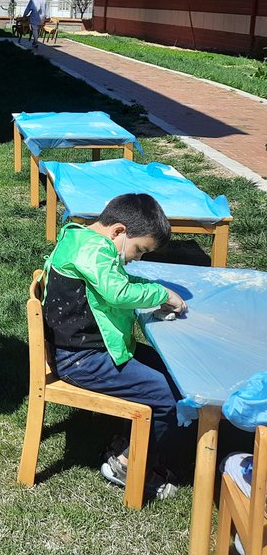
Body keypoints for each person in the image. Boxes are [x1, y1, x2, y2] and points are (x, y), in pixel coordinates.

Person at [42, 193, 185, 500]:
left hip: (91, 349)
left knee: (173, 373)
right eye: (140, 250)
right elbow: (117, 292)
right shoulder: (94, 250)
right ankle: (128, 466)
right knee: (167, 397)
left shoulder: (87, 241)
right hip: (83, 358)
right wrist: (160, 294)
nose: (139, 258)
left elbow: (112, 288)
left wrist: (145, 297)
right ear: (119, 231)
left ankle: (129, 444)